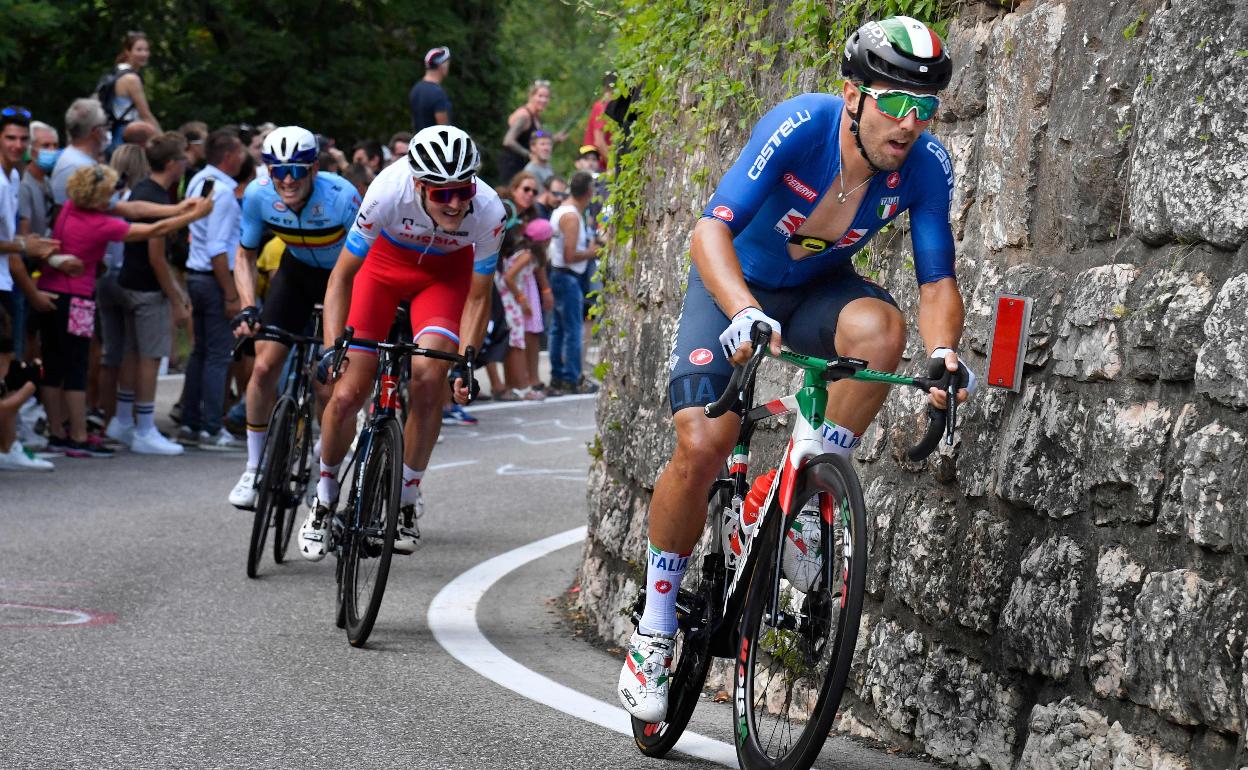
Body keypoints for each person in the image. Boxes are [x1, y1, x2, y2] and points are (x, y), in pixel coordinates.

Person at [615, 17, 974, 722]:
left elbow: (937, 278)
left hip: (814, 292)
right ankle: (654, 631)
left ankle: (796, 495)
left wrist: (944, 353)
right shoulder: (802, 126)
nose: (910, 122)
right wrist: (743, 309)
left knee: (884, 331)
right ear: (854, 96)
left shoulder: (926, 166)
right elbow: (710, 229)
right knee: (703, 443)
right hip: (733, 284)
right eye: (894, 102)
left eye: (924, 107)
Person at [307, 125, 500, 561]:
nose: (455, 203)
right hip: (382, 272)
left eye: (463, 190)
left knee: (429, 378)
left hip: (443, 279)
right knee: (346, 394)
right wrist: (332, 347)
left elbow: (478, 296)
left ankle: (407, 500)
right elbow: (341, 276)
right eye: (442, 193)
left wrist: (466, 362)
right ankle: (324, 497)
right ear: (418, 185)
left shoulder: (489, 210)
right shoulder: (386, 193)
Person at [226, 126, 362, 510]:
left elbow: (369, 257)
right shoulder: (258, 196)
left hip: (343, 279)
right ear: (268, 170)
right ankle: (254, 468)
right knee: (264, 367)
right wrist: (247, 306)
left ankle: (323, 458)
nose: (287, 180)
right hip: (296, 276)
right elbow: (245, 255)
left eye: (297, 171)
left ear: (314, 168)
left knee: (327, 384)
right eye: (278, 171)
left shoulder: (341, 197)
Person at [36, 164, 209, 458]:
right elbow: (153, 229)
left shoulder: (72, 207)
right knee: (76, 368)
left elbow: (134, 208)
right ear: (98, 197)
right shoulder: (99, 223)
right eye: (109, 193)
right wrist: (192, 216)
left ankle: (57, 433)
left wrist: (178, 207)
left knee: (54, 368)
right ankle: (78, 435)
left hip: (53, 291)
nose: (114, 198)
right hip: (77, 299)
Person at [114, 132, 193, 454]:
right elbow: (156, 257)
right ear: (173, 163)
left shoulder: (142, 188)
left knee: (131, 353)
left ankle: (122, 419)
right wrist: (176, 298)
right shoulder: (158, 198)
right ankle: (145, 428)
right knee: (150, 357)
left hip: (127, 281)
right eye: (183, 158)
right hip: (147, 288)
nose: (186, 164)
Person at [180, 129, 247, 450]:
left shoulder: (198, 181)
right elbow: (218, 248)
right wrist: (231, 293)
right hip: (213, 278)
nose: (244, 158)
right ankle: (210, 427)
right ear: (229, 156)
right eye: (240, 152)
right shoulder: (222, 193)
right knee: (218, 355)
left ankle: (191, 421)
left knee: (200, 352)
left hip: (196, 275)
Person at [97, 143, 152, 437]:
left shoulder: (106, 198)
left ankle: (109, 418)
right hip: (127, 276)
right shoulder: (136, 201)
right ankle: (128, 418)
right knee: (135, 350)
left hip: (104, 276)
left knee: (111, 352)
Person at [545, 171, 599, 397]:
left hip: (558, 274)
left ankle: (558, 376)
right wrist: (593, 251)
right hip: (567, 276)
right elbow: (570, 256)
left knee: (558, 329)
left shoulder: (561, 210)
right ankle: (572, 378)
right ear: (589, 191)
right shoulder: (571, 217)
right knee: (573, 330)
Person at [495, 218, 552, 401]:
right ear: (544, 240)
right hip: (510, 301)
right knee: (517, 342)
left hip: (509, 299)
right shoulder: (527, 255)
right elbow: (508, 277)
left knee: (514, 342)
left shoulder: (524, 252)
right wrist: (522, 299)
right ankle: (522, 387)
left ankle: (513, 385)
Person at [100, 31, 161, 151]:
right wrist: (162, 139)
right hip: (127, 133)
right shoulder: (131, 79)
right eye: (139, 50)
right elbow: (145, 114)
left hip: (114, 132)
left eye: (146, 50)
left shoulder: (117, 71)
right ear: (127, 51)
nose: (144, 54)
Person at [499, 80, 566, 185]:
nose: (544, 100)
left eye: (547, 97)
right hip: (513, 166)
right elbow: (508, 141)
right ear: (531, 96)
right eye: (540, 96)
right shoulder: (524, 116)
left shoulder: (535, 116)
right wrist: (529, 154)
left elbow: (535, 135)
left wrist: (553, 138)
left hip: (525, 166)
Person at [409, 47, 452, 132]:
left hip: (419, 138)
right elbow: (444, 130)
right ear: (441, 66)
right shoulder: (438, 93)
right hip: (435, 140)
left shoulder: (416, 89)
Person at [582, 72, 615, 172]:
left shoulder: (610, 107)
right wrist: (612, 165)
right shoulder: (601, 107)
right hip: (597, 166)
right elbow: (599, 142)